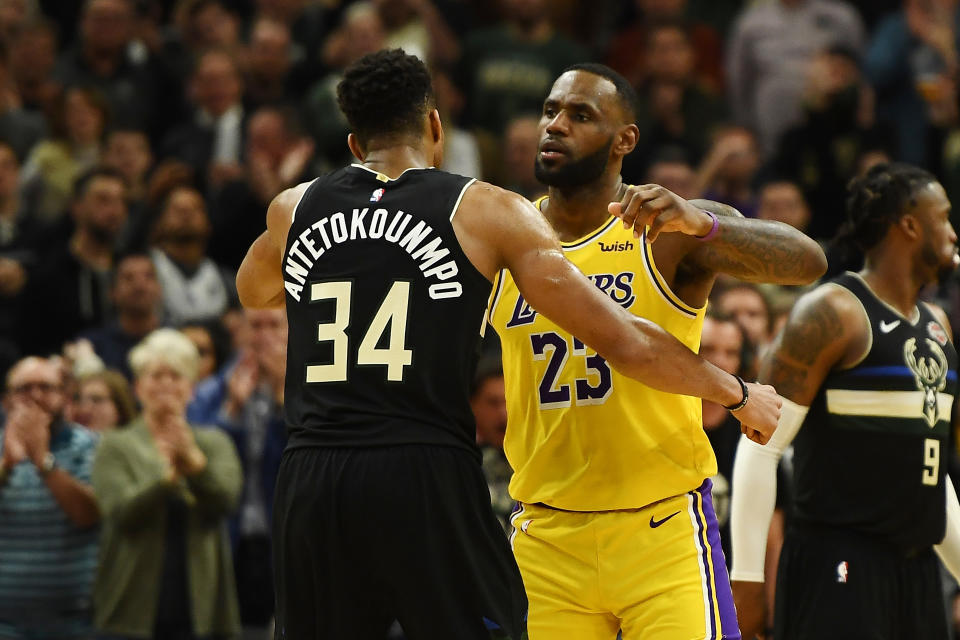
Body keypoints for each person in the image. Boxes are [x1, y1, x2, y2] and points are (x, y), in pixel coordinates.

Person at [235, 49, 783, 640]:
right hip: (422, 465)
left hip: (312, 469)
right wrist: (736, 391)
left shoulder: (294, 208)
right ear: (435, 125)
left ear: (352, 143)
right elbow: (623, 341)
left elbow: (255, 292)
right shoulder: (483, 210)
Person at [486, 63, 825, 640]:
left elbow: (807, 261)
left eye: (581, 115)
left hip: (661, 529)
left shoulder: (662, 229)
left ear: (625, 140)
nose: (556, 125)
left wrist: (708, 225)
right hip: (547, 539)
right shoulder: (504, 239)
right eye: (550, 111)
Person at [730, 163, 960, 639]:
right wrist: (747, 580)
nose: (953, 233)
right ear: (911, 225)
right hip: (839, 564)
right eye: (945, 217)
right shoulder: (833, 312)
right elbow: (761, 443)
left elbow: (932, 475)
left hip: (916, 569)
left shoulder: (937, 324)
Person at [91, 328, 242, 640]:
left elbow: (227, 500)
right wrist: (166, 479)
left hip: (202, 611)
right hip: (128, 610)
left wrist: (194, 464)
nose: (165, 385)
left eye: (175, 376)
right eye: (155, 375)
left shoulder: (214, 443)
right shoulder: (115, 445)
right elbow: (120, 513)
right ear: (137, 387)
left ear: (191, 387)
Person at [0, 356, 101, 640]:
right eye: (23, 388)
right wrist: (7, 465)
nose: (34, 396)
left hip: (76, 620)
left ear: (64, 397)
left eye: (45, 387)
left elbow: (88, 514)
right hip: (5, 622)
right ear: (6, 400)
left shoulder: (91, 445)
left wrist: (43, 461)